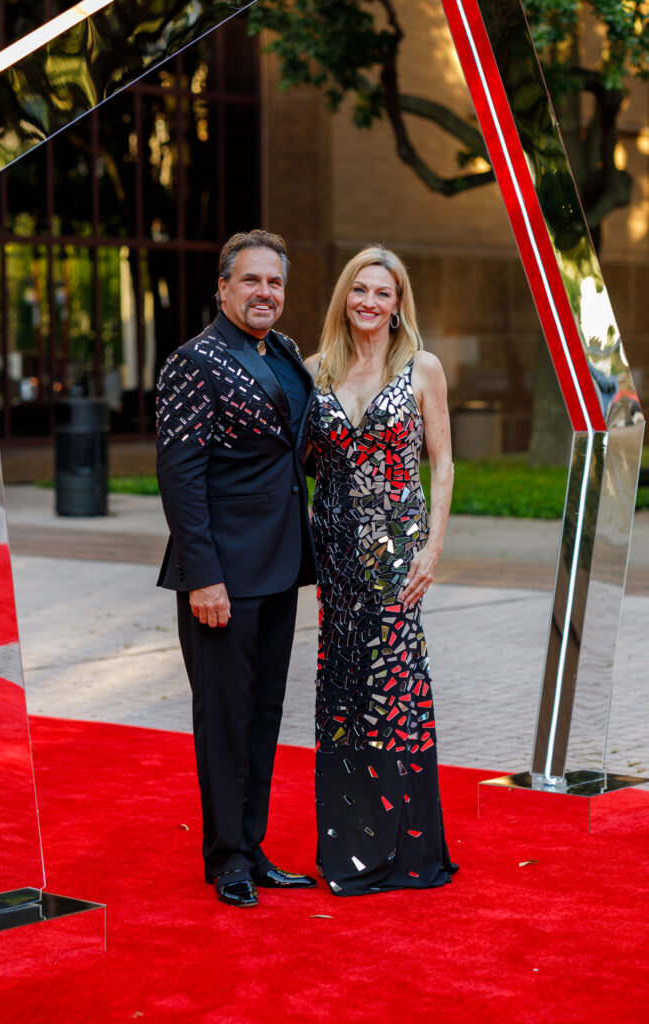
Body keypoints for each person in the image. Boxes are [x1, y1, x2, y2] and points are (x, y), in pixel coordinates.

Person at [155, 229, 317, 908]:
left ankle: (251, 845)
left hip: (280, 567)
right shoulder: (194, 362)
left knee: (262, 714)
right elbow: (180, 477)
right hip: (222, 575)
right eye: (250, 281)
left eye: (274, 282)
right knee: (223, 717)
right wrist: (204, 576)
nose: (264, 293)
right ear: (222, 287)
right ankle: (226, 860)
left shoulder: (280, 352)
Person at [304, 245, 457, 896]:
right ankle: (350, 849)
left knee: (395, 690)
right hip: (334, 553)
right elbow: (300, 462)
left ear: (399, 305)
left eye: (382, 293)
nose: (369, 301)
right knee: (343, 693)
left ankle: (407, 849)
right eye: (359, 290)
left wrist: (432, 545)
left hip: (397, 553)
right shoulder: (315, 370)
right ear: (345, 296)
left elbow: (443, 462)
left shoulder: (422, 368)